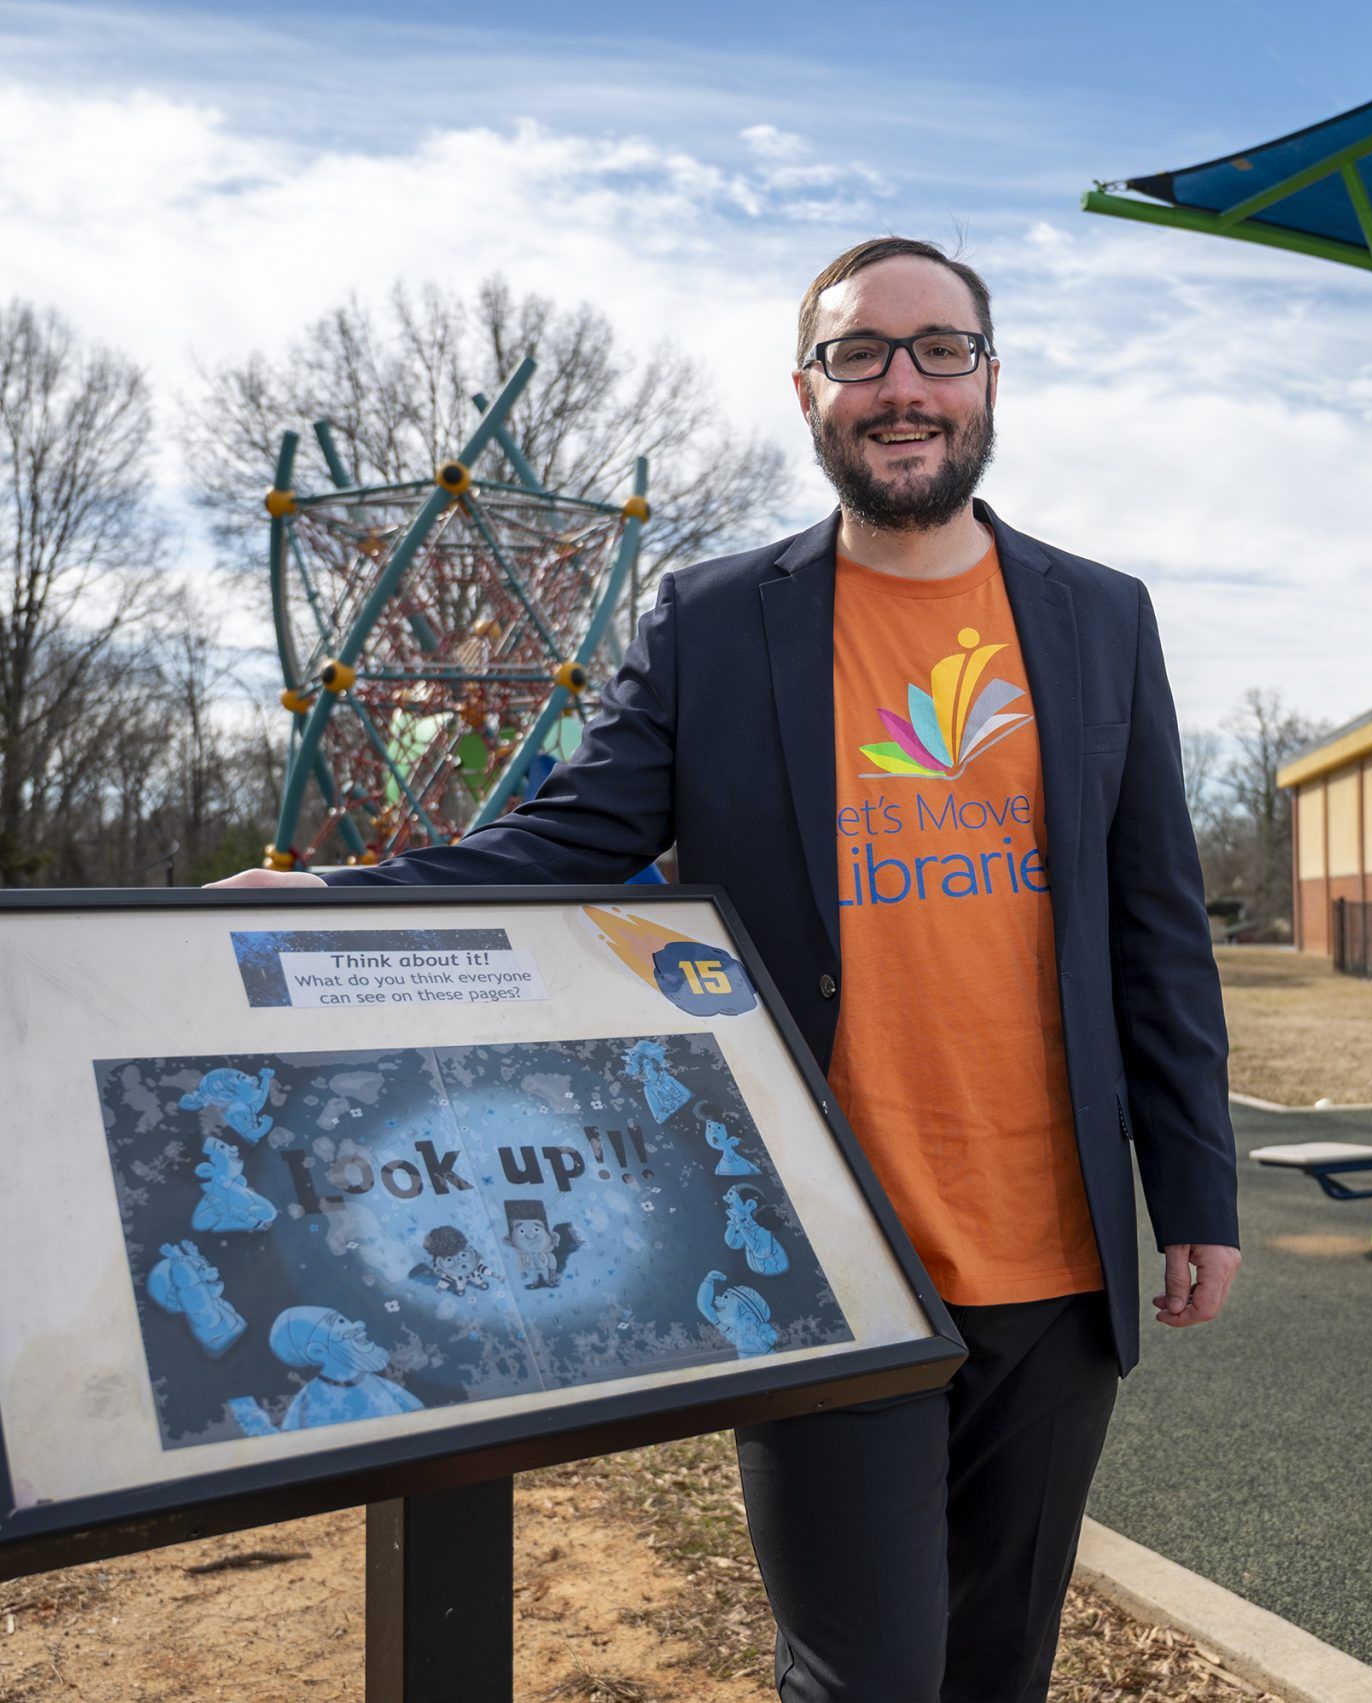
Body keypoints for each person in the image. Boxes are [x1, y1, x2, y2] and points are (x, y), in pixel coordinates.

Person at [214, 235, 1239, 1703]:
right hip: (822, 1247)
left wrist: (1195, 1188)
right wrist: (338, 893)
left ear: (989, 380)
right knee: (864, 1676)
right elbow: (570, 839)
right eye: (860, 355)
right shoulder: (713, 621)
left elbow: (1159, 926)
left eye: (938, 350)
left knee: (999, 1669)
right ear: (809, 392)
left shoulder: (1099, 618)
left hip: (1057, 1256)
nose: (903, 386)